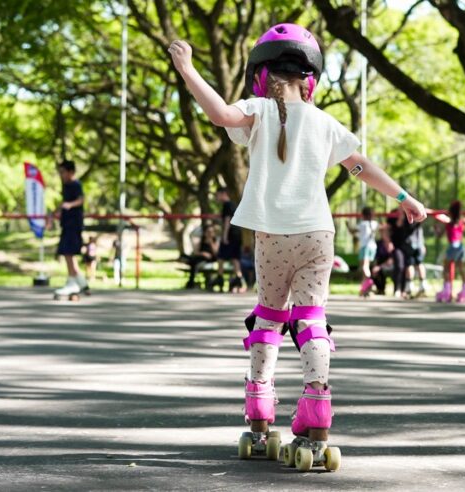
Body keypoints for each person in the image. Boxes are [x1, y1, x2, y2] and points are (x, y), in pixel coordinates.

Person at [169, 23, 427, 468]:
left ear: (260, 77)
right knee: (312, 319)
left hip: (273, 237)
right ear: (311, 81)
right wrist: (404, 198)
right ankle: (318, 409)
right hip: (317, 236)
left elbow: (221, 115)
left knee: (269, 317)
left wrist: (189, 70)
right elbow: (360, 166)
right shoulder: (325, 122)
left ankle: (259, 413)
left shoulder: (259, 110)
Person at [434, 201, 465, 303]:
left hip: (453, 246)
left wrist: (436, 228)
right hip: (461, 246)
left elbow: (439, 235)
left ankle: (447, 291)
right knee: (462, 269)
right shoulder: (462, 221)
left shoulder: (448, 223)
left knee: (446, 269)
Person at [53, 160, 89, 297]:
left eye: (63, 172)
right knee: (67, 254)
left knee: (69, 253)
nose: (61, 175)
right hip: (66, 224)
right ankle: (81, 283)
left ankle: (73, 283)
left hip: (74, 225)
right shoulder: (66, 186)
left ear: (71, 172)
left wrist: (70, 205)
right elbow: (63, 203)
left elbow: (81, 199)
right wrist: (57, 212)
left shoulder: (75, 184)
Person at [385, 207, 427, 298]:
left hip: (413, 243)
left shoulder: (413, 212)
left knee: (415, 264)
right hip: (409, 244)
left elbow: (418, 228)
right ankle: (409, 287)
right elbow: (395, 226)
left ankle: (420, 285)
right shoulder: (402, 213)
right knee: (409, 264)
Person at [215, 187, 246, 293]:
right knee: (235, 257)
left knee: (220, 256)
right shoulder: (233, 204)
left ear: (223, 194)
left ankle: (220, 278)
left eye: (217, 195)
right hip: (237, 235)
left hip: (230, 235)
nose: (216, 197)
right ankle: (239, 278)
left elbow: (227, 221)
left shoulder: (227, 205)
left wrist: (224, 236)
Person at [183, 225, 219, 289]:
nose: (209, 234)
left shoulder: (215, 240)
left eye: (211, 232)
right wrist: (203, 253)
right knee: (194, 261)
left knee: (193, 262)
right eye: (208, 232)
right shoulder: (202, 240)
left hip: (211, 259)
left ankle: (191, 282)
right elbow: (197, 252)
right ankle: (191, 282)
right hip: (201, 257)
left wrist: (210, 242)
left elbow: (216, 253)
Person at [356, 207, 378, 296]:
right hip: (373, 247)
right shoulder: (375, 223)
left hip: (365, 247)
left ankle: (369, 281)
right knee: (367, 266)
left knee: (364, 267)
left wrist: (347, 225)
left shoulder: (362, 224)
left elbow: (353, 231)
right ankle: (364, 289)